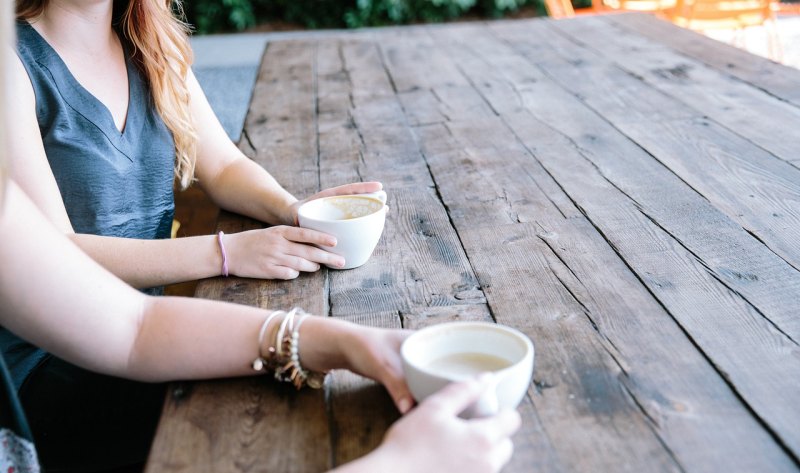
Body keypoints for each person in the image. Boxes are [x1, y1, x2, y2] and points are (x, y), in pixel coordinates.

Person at [3, 0, 386, 465]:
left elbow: (224, 166)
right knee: (243, 415)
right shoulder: (13, 63)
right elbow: (59, 254)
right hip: (45, 363)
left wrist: (294, 209)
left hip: (145, 329)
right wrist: (225, 253)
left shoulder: (151, 45)